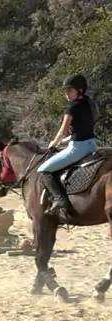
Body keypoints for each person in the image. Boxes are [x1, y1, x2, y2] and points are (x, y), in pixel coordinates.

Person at [37, 74, 97, 216]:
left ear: (80, 90)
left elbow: (62, 130)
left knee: (43, 170)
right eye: (66, 91)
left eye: (70, 91)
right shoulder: (88, 103)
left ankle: (60, 200)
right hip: (92, 145)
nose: (67, 94)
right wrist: (65, 142)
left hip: (78, 148)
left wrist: (54, 143)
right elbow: (82, 129)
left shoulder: (72, 107)